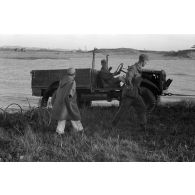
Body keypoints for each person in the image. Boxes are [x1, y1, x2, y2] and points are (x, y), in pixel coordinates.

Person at [112, 54, 149, 131]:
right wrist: (130, 84)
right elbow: (129, 77)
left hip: (135, 95)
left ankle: (143, 127)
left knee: (142, 108)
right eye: (146, 61)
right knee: (122, 111)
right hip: (129, 94)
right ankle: (113, 125)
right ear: (143, 61)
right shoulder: (133, 68)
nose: (146, 63)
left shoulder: (139, 69)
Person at [51, 68, 84, 135]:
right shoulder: (72, 82)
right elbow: (71, 92)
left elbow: (57, 92)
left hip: (60, 102)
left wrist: (53, 100)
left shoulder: (62, 81)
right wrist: (70, 100)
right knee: (74, 116)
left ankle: (59, 132)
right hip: (68, 102)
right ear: (74, 74)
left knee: (62, 118)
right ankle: (79, 130)